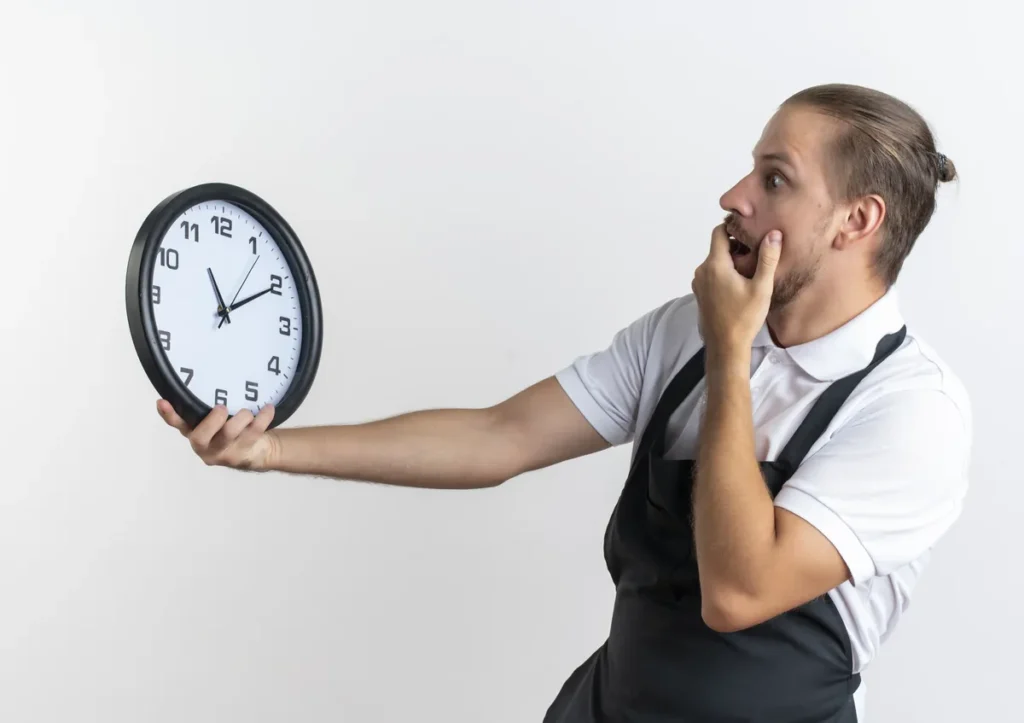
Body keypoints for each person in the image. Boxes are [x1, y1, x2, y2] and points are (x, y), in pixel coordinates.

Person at [158, 83, 971, 722]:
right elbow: (498, 436)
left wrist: (729, 351)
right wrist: (268, 450)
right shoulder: (684, 331)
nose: (733, 195)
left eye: (775, 179)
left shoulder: (910, 411)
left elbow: (739, 589)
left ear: (856, 222)